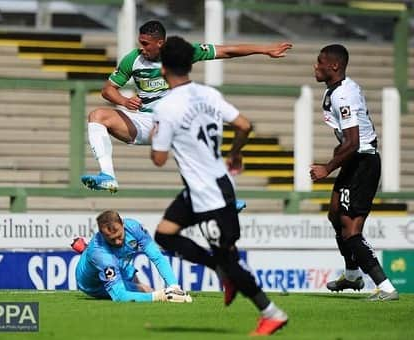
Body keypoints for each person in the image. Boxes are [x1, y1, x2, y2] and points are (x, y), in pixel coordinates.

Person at [150, 36, 288, 336]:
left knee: (229, 258)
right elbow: (244, 125)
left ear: (163, 68)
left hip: (208, 194)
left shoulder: (167, 107)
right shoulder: (208, 94)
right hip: (208, 185)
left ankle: (271, 312)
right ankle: (221, 271)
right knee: (164, 234)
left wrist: (158, 137)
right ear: (189, 64)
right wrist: (235, 151)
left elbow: (158, 159)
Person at [81, 20, 292, 193]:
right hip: (145, 122)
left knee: (198, 141)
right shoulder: (133, 59)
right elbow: (108, 89)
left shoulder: (179, 53)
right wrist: (124, 101)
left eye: (146, 43)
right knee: (98, 115)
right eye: (141, 42)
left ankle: (223, 195)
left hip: (174, 119)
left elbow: (226, 51)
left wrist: (265, 50)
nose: (142, 48)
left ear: (161, 43)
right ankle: (108, 176)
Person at [311, 44, 398, 301]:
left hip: (363, 162)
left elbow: (352, 142)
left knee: (350, 230)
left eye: (320, 62)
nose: (315, 66)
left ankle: (386, 287)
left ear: (334, 66)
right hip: (354, 161)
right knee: (335, 214)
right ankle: (352, 275)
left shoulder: (343, 96)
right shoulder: (340, 89)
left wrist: (327, 167)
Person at [73, 210, 192, 303]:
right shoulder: (101, 254)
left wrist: (174, 286)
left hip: (119, 262)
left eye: (119, 236)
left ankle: (86, 251)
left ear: (123, 224)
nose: (118, 242)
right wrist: (161, 296)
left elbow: (157, 257)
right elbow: (120, 296)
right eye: (112, 239)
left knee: (139, 284)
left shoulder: (133, 228)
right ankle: (88, 253)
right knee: (145, 291)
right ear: (102, 235)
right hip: (94, 284)